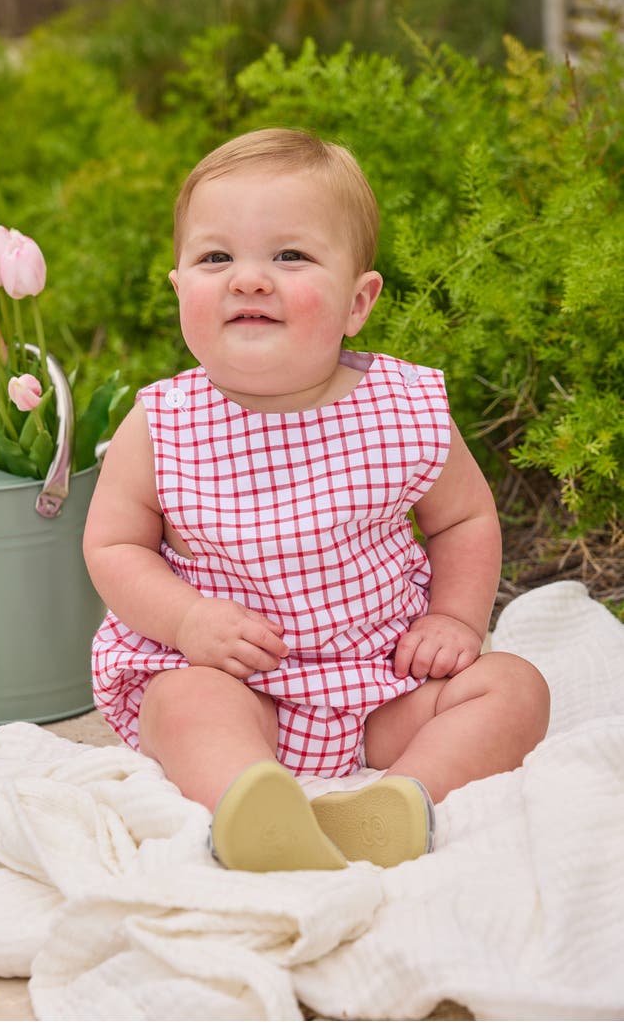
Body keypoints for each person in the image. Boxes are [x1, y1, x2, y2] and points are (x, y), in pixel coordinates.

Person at [83, 128, 550, 872]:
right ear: (179, 291)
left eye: (290, 256)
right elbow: (114, 546)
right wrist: (187, 619)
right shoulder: (163, 422)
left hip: (387, 682)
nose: (248, 280)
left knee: (515, 690)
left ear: (357, 302)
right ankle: (250, 802)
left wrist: (454, 619)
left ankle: (400, 801)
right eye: (216, 258)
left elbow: (464, 518)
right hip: (240, 684)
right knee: (180, 704)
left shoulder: (402, 407)